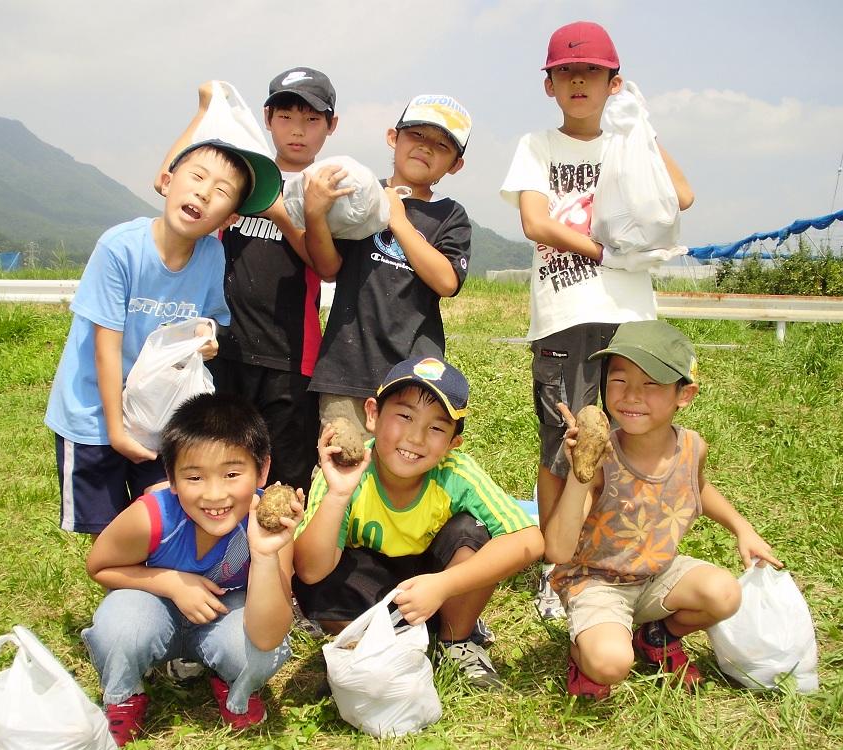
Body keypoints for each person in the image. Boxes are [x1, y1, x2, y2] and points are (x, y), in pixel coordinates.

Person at [498, 20, 695, 617]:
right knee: (564, 441)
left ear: (614, 82)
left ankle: (612, 554)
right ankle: (558, 567)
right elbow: (536, 222)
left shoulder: (626, 143)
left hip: (630, 320)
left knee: (631, 439)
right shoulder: (538, 146)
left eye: (593, 73)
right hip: (565, 315)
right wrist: (606, 252)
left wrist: (638, 124)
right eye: (566, 72)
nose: (578, 80)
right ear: (550, 85)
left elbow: (680, 196)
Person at [45, 134, 281, 535]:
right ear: (167, 181)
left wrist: (208, 338)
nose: (205, 193)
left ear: (229, 220)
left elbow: (211, 320)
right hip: (93, 416)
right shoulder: (120, 248)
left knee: (163, 519)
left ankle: (158, 591)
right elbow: (106, 345)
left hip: (158, 418)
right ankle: (123, 594)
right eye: (198, 177)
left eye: (222, 191)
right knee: (108, 531)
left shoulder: (211, 255)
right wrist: (115, 431)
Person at [543, 320, 782, 700]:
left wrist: (742, 528)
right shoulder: (603, 457)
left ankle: (657, 635)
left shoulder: (692, 447)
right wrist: (580, 472)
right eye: (619, 380)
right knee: (609, 664)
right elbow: (557, 551)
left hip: (655, 573)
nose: (632, 395)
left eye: (651, 383)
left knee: (724, 593)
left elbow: (699, 487)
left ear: (684, 395)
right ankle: (583, 652)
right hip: (597, 581)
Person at [292, 355, 544, 689]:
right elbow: (310, 571)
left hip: (432, 583)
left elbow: (529, 539)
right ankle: (378, 642)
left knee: (471, 532)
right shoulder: (345, 471)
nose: (415, 437)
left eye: (436, 427)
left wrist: (444, 586)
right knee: (321, 568)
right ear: (373, 415)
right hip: (368, 588)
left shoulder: (455, 472)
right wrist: (338, 496)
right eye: (404, 416)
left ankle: (457, 640)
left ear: (453, 444)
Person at [155, 69, 339, 495]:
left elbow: (326, 266)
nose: (298, 131)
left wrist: (281, 212)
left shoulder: (327, 189)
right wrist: (205, 112)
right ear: (267, 119)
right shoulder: (242, 177)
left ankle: (280, 561)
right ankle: (224, 558)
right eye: (286, 117)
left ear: (332, 126)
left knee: (286, 478)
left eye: (312, 120)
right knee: (218, 465)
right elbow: (168, 180)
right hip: (223, 348)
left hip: (290, 358)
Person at [81, 393, 303, 744]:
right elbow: (100, 566)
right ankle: (125, 695)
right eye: (194, 477)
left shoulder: (271, 525)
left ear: (262, 469)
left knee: (257, 653)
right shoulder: (152, 516)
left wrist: (262, 554)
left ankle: (231, 682)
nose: (214, 495)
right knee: (119, 627)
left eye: (231, 473)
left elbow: (267, 637)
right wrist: (172, 583)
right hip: (154, 608)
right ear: (170, 476)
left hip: (225, 612)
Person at [304, 95, 473, 442]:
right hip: (345, 368)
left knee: (404, 468)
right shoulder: (361, 194)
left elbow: (446, 280)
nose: (426, 149)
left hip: (413, 377)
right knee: (342, 465)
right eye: (417, 136)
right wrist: (316, 215)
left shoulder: (451, 216)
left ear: (455, 164)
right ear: (393, 138)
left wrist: (397, 219)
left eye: (441, 145)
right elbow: (328, 267)